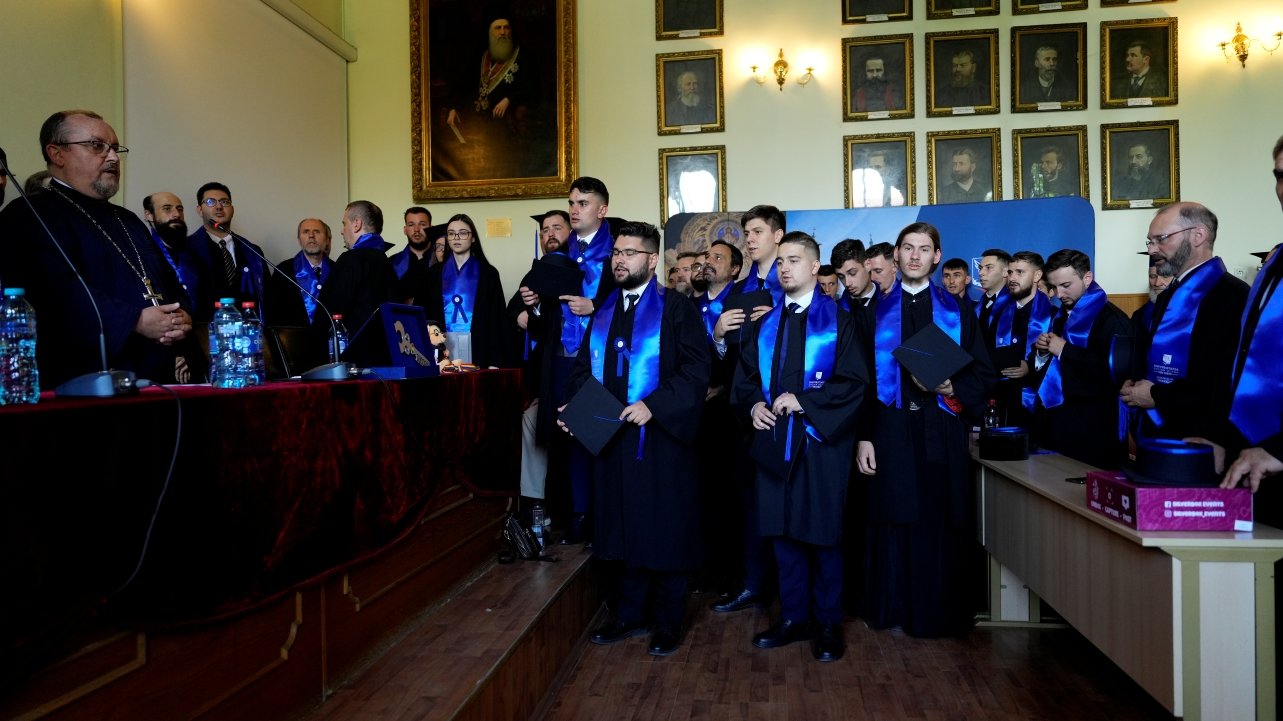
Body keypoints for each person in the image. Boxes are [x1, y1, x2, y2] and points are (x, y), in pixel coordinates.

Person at [563, 221, 710, 657]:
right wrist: (573, 411)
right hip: (612, 442)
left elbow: (696, 372)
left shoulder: (676, 309)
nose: (620, 259)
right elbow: (580, 373)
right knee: (621, 529)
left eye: (629, 253)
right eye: (617, 253)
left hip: (660, 442)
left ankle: (668, 622)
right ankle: (628, 615)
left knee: (662, 530)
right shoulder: (604, 310)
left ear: (651, 259)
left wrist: (656, 406)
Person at [732, 231, 867, 661]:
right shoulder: (764, 325)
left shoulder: (840, 322)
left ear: (813, 267)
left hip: (820, 445)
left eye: (794, 260)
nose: (785, 267)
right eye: (781, 261)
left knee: (823, 536)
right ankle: (793, 617)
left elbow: (855, 385)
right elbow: (745, 379)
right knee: (783, 534)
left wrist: (806, 402)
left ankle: (827, 623)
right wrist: (754, 405)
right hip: (773, 443)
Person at [856, 222, 995, 638]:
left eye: (925, 248)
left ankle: (937, 612)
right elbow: (858, 380)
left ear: (937, 257)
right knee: (892, 516)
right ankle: (893, 609)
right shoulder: (869, 314)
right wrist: (864, 435)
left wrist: (952, 385)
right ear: (896, 255)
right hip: (889, 430)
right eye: (907, 247)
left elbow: (984, 373)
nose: (915, 255)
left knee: (938, 518)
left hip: (941, 428)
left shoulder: (960, 311)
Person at [0, 109, 193, 387]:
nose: (113, 157)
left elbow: (169, 280)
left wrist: (181, 315)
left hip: (156, 377)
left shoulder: (128, 220)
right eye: (97, 145)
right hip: (83, 383)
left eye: (115, 148)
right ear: (57, 154)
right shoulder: (28, 215)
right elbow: (55, 295)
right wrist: (135, 320)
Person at [519, 177, 617, 545]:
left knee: (598, 434)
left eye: (583, 203)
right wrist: (535, 304)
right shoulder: (558, 251)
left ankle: (601, 516)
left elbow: (636, 304)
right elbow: (545, 325)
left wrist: (596, 306)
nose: (575, 210)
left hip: (602, 360)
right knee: (568, 433)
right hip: (561, 357)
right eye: (572, 203)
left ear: (601, 209)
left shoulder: (619, 250)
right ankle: (578, 513)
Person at [1121, 202, 1249, 442]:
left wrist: (1157, 395)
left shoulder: (1232, 295)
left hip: (1202, 437)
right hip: (1160, 429)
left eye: (1161, 239)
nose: (1152, 250)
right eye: (1150, 241)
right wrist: (1137, 383)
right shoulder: (1168, 295)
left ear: (1198, 235)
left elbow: (1223, 380)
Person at [1031, 249, 1132, 469]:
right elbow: (1049, 368)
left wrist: (1064, 350)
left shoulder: (1113, 320)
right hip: (1057, 421)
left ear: (1087, 278)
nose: (1058, 294)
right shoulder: (1060, 315)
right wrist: (1042, 352)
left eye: (1066, 285)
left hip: (1093, 427)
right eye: (1053, 287)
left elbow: (1113, 375)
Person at [510, 210, 572, 519]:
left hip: (575, 371)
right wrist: (525, 314)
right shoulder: (535, 274)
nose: (549, 234)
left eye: (556, 228)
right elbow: (518, 313)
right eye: (545, 230)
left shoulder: (583, 269)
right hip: (544, 373)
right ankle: (536, 505)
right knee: (533, 422)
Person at [438, 10, 548, 181]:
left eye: (506, 28)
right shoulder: (481, 57)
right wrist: (454, 107)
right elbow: (462, 86)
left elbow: (534, 89)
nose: (503, 32)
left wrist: (510, 98)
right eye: (498, 28)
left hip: (506, 125)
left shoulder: (524, 57)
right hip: (477, 125)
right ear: (490, 32)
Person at [413, 213, 508, 368]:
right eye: (451, 234)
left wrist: (494, 361)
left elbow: (497, 320)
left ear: (473, 238)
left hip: (479, 349)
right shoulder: (433, 274)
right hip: (440, 353)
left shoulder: (488, 273)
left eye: (463, 233)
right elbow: (423, 317)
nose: (456, 237)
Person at [187, 182, 275, 318]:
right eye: (210, 202)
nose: (218, 207)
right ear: (199, 210)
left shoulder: (252, 251)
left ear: (232, 209)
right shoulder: (186, 248)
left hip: (248, 332)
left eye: (224, 202)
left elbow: (268, 298)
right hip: (204, 332)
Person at [990, 251, 1053, 428]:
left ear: (1037, 275)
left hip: (1038, 404)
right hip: (1001, 399)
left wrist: (1030, 367)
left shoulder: (1054, 316)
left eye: (1020, 272)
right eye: (1010, 272)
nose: (1012, 278)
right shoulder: (998, 314)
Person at [319, 200, 397, 336]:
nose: (341, 231)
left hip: (354, 352)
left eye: (344, 224)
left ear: (357, 224)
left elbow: (330, 311)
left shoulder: (351, 259)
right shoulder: (388, 262)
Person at [143, 191, 212, 324]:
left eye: (179, 209)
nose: (176, 214)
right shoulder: (141, 256)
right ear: (149, 215)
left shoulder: (195, 255)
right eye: (167, 209)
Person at [276, 218, 335, 326]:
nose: (311, 236)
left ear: (327, 239)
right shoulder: (283, 270)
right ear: (299, 239)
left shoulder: (338, 270)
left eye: (317, 231)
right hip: (293, 339)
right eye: (306, 231)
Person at [389, 206, 433, 298]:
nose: (416, 229)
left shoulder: (444, 260)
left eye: (422, 224)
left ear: (431, 228)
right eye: (411, 224)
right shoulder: (391, 263)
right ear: (405, 230)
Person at [974, 248, 1012, 347]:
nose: (980, 273)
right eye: (980, 268)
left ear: (1005, 272)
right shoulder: (976, 306)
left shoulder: (1015, 305)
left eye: (988, 267)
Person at [1131, 254, 1175, 337]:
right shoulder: (1139, 315)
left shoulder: (1188, 312)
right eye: (1152, 276)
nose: (1157, 283)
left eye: (1165, 276)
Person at [831, 239, 877, 312]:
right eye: (841, 277)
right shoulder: (834, 312)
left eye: (852, 273)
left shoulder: (895, 302)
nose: (847, 283)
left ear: (867, 265)